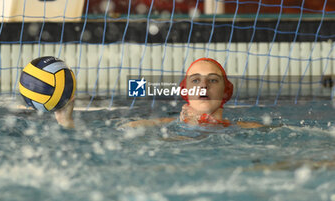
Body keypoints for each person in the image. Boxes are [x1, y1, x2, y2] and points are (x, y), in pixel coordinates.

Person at [55, 57, 262, 129]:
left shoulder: (251, 128)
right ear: (186, 91)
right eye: (196, 80)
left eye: (213, 80)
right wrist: (67, 122)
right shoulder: (149, 126)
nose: (204, 85)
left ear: (226, 91)